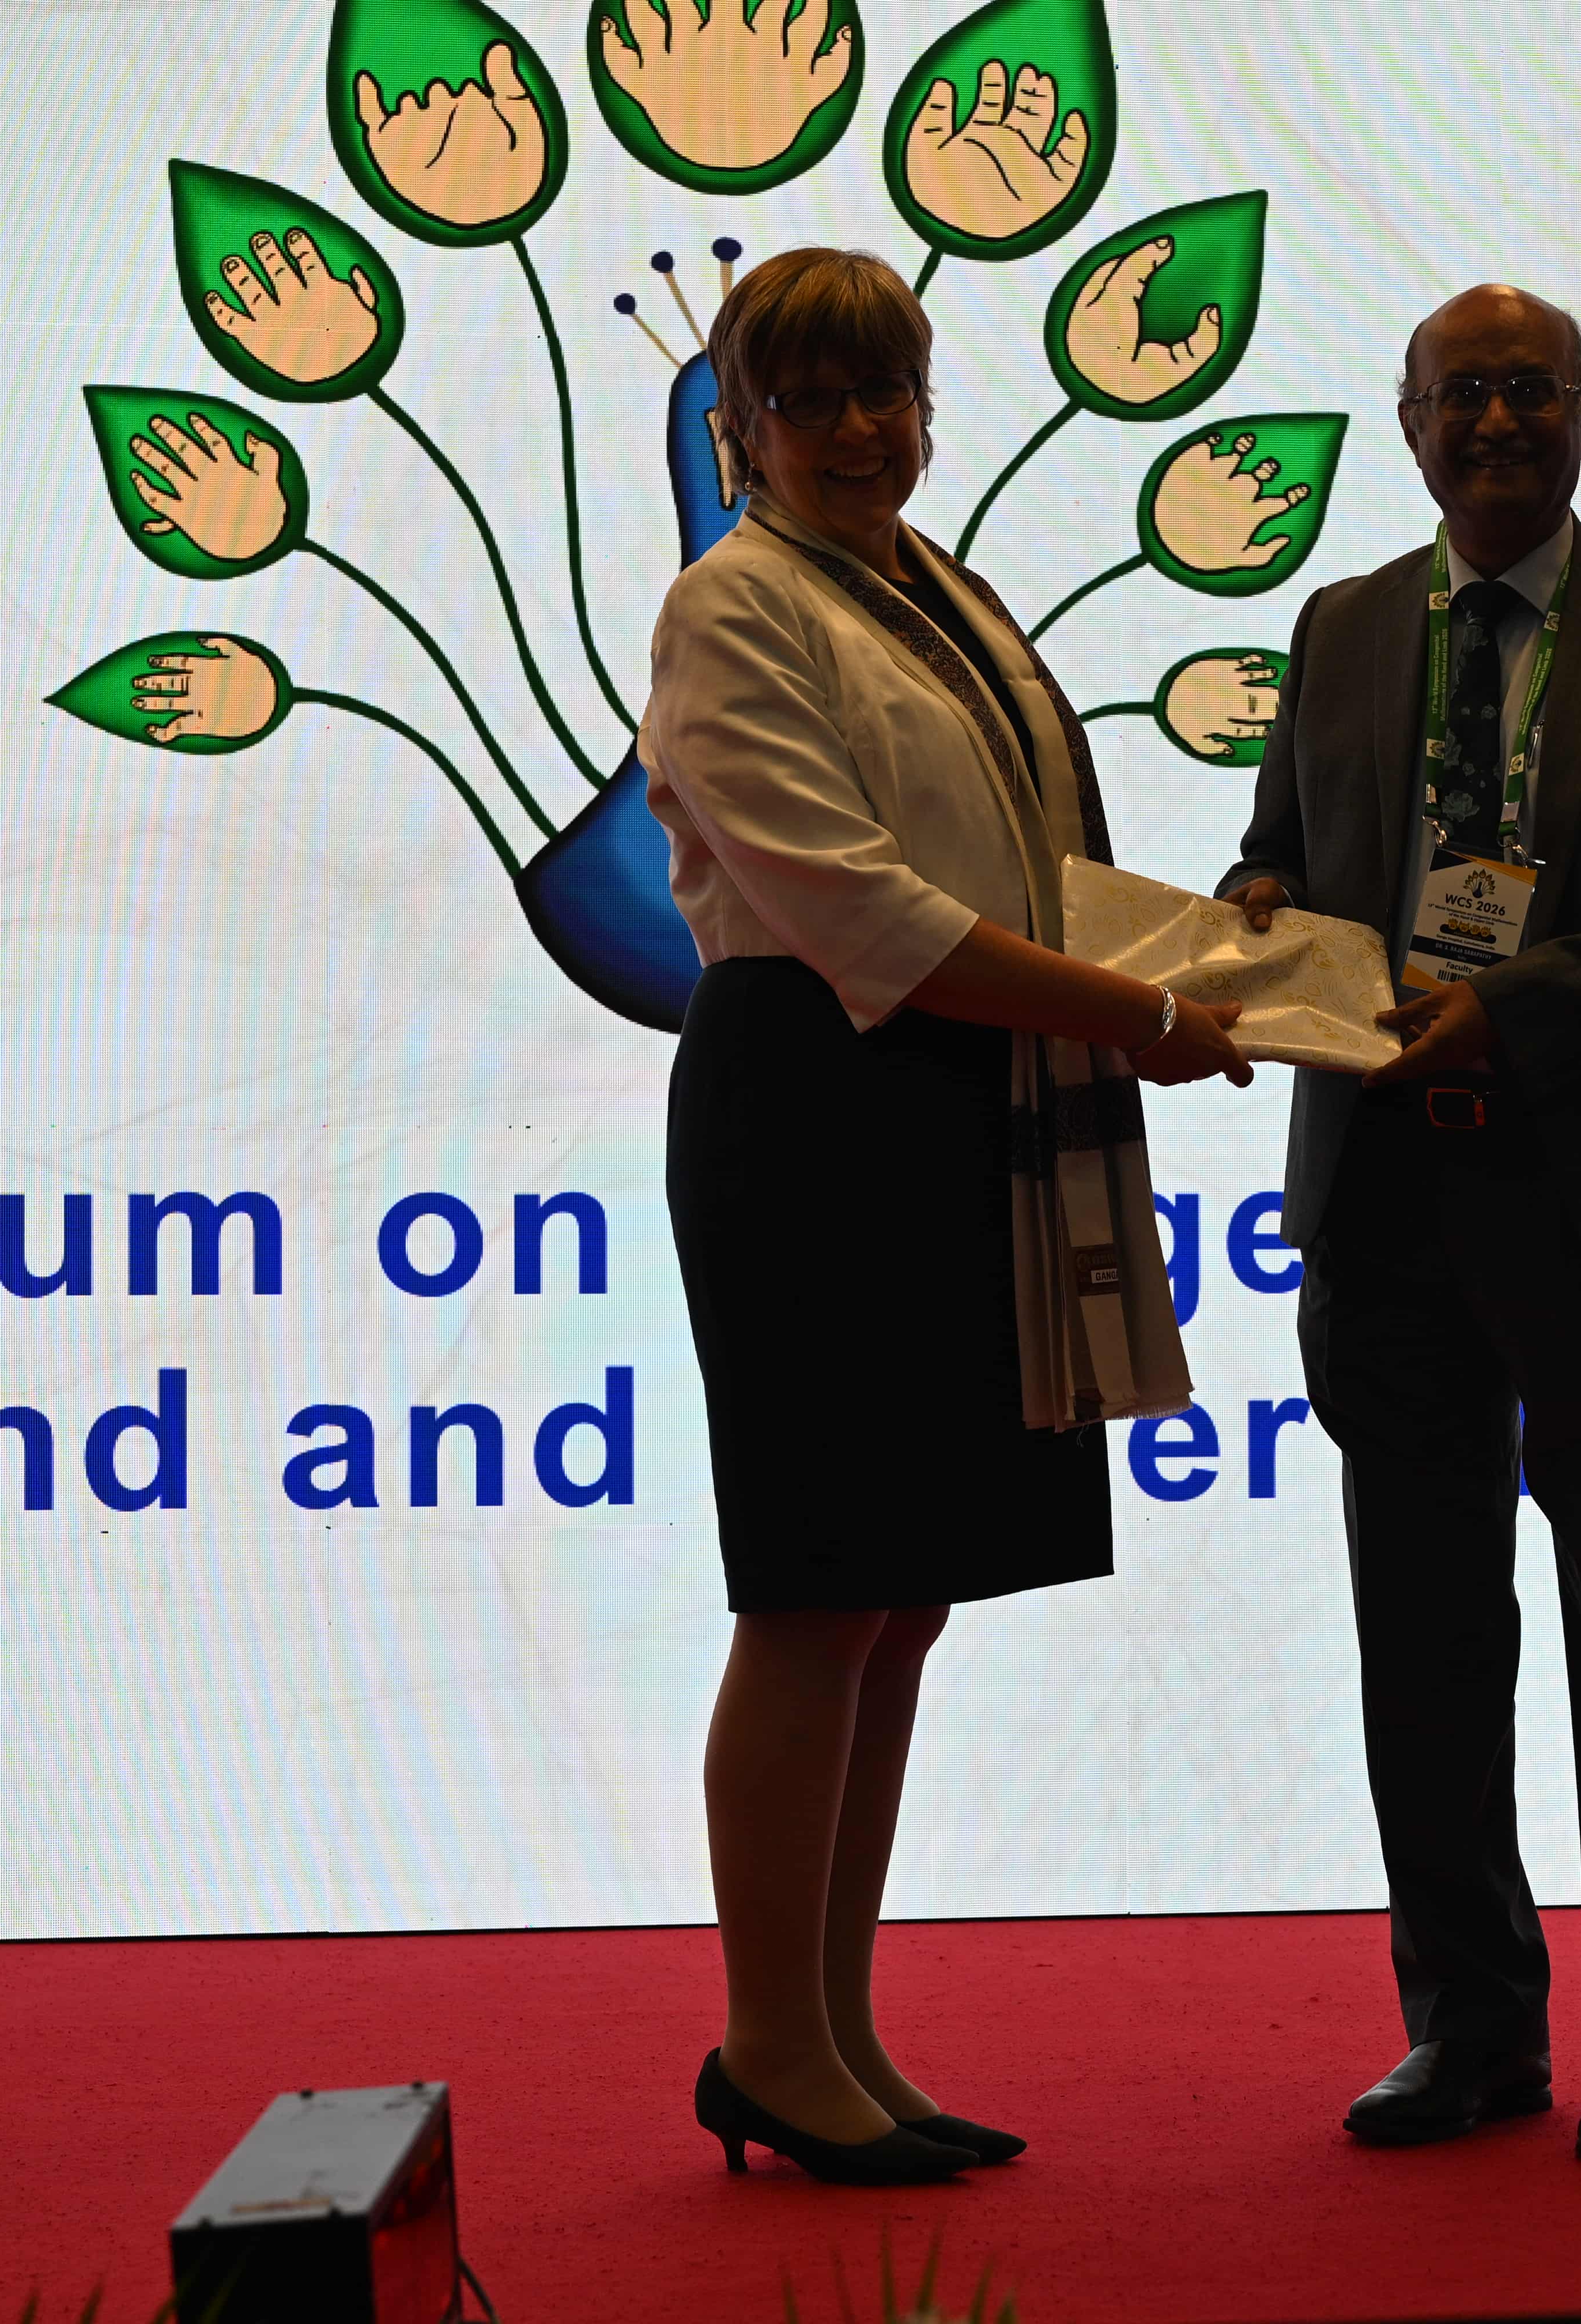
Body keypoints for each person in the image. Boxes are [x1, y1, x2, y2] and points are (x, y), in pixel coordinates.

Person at [639, 246, 1252, 2186]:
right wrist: (1140, 1015)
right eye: (808, 400)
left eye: (885, 391)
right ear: (739, 430)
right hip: (819, 1103)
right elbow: (864, 910)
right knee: (818, 1591)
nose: (855, 430)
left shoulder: (939, 590)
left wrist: (1232, 961)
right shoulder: (731, 605)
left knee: (900, 1601)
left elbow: (1024, 871)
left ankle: (834, 2034)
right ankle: (767, 2042)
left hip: (958, 1097)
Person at [1221, 284, 1581, 2162]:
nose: (1494, 424)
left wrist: (1516, 1010)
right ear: (1407, 426)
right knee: (1426, 1633)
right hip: (1387, 1199)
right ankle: (1469, 2027)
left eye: (1527, 393)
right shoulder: (1337, 628)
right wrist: (1249, 907)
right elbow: (1290, 852)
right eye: (1458, 395)